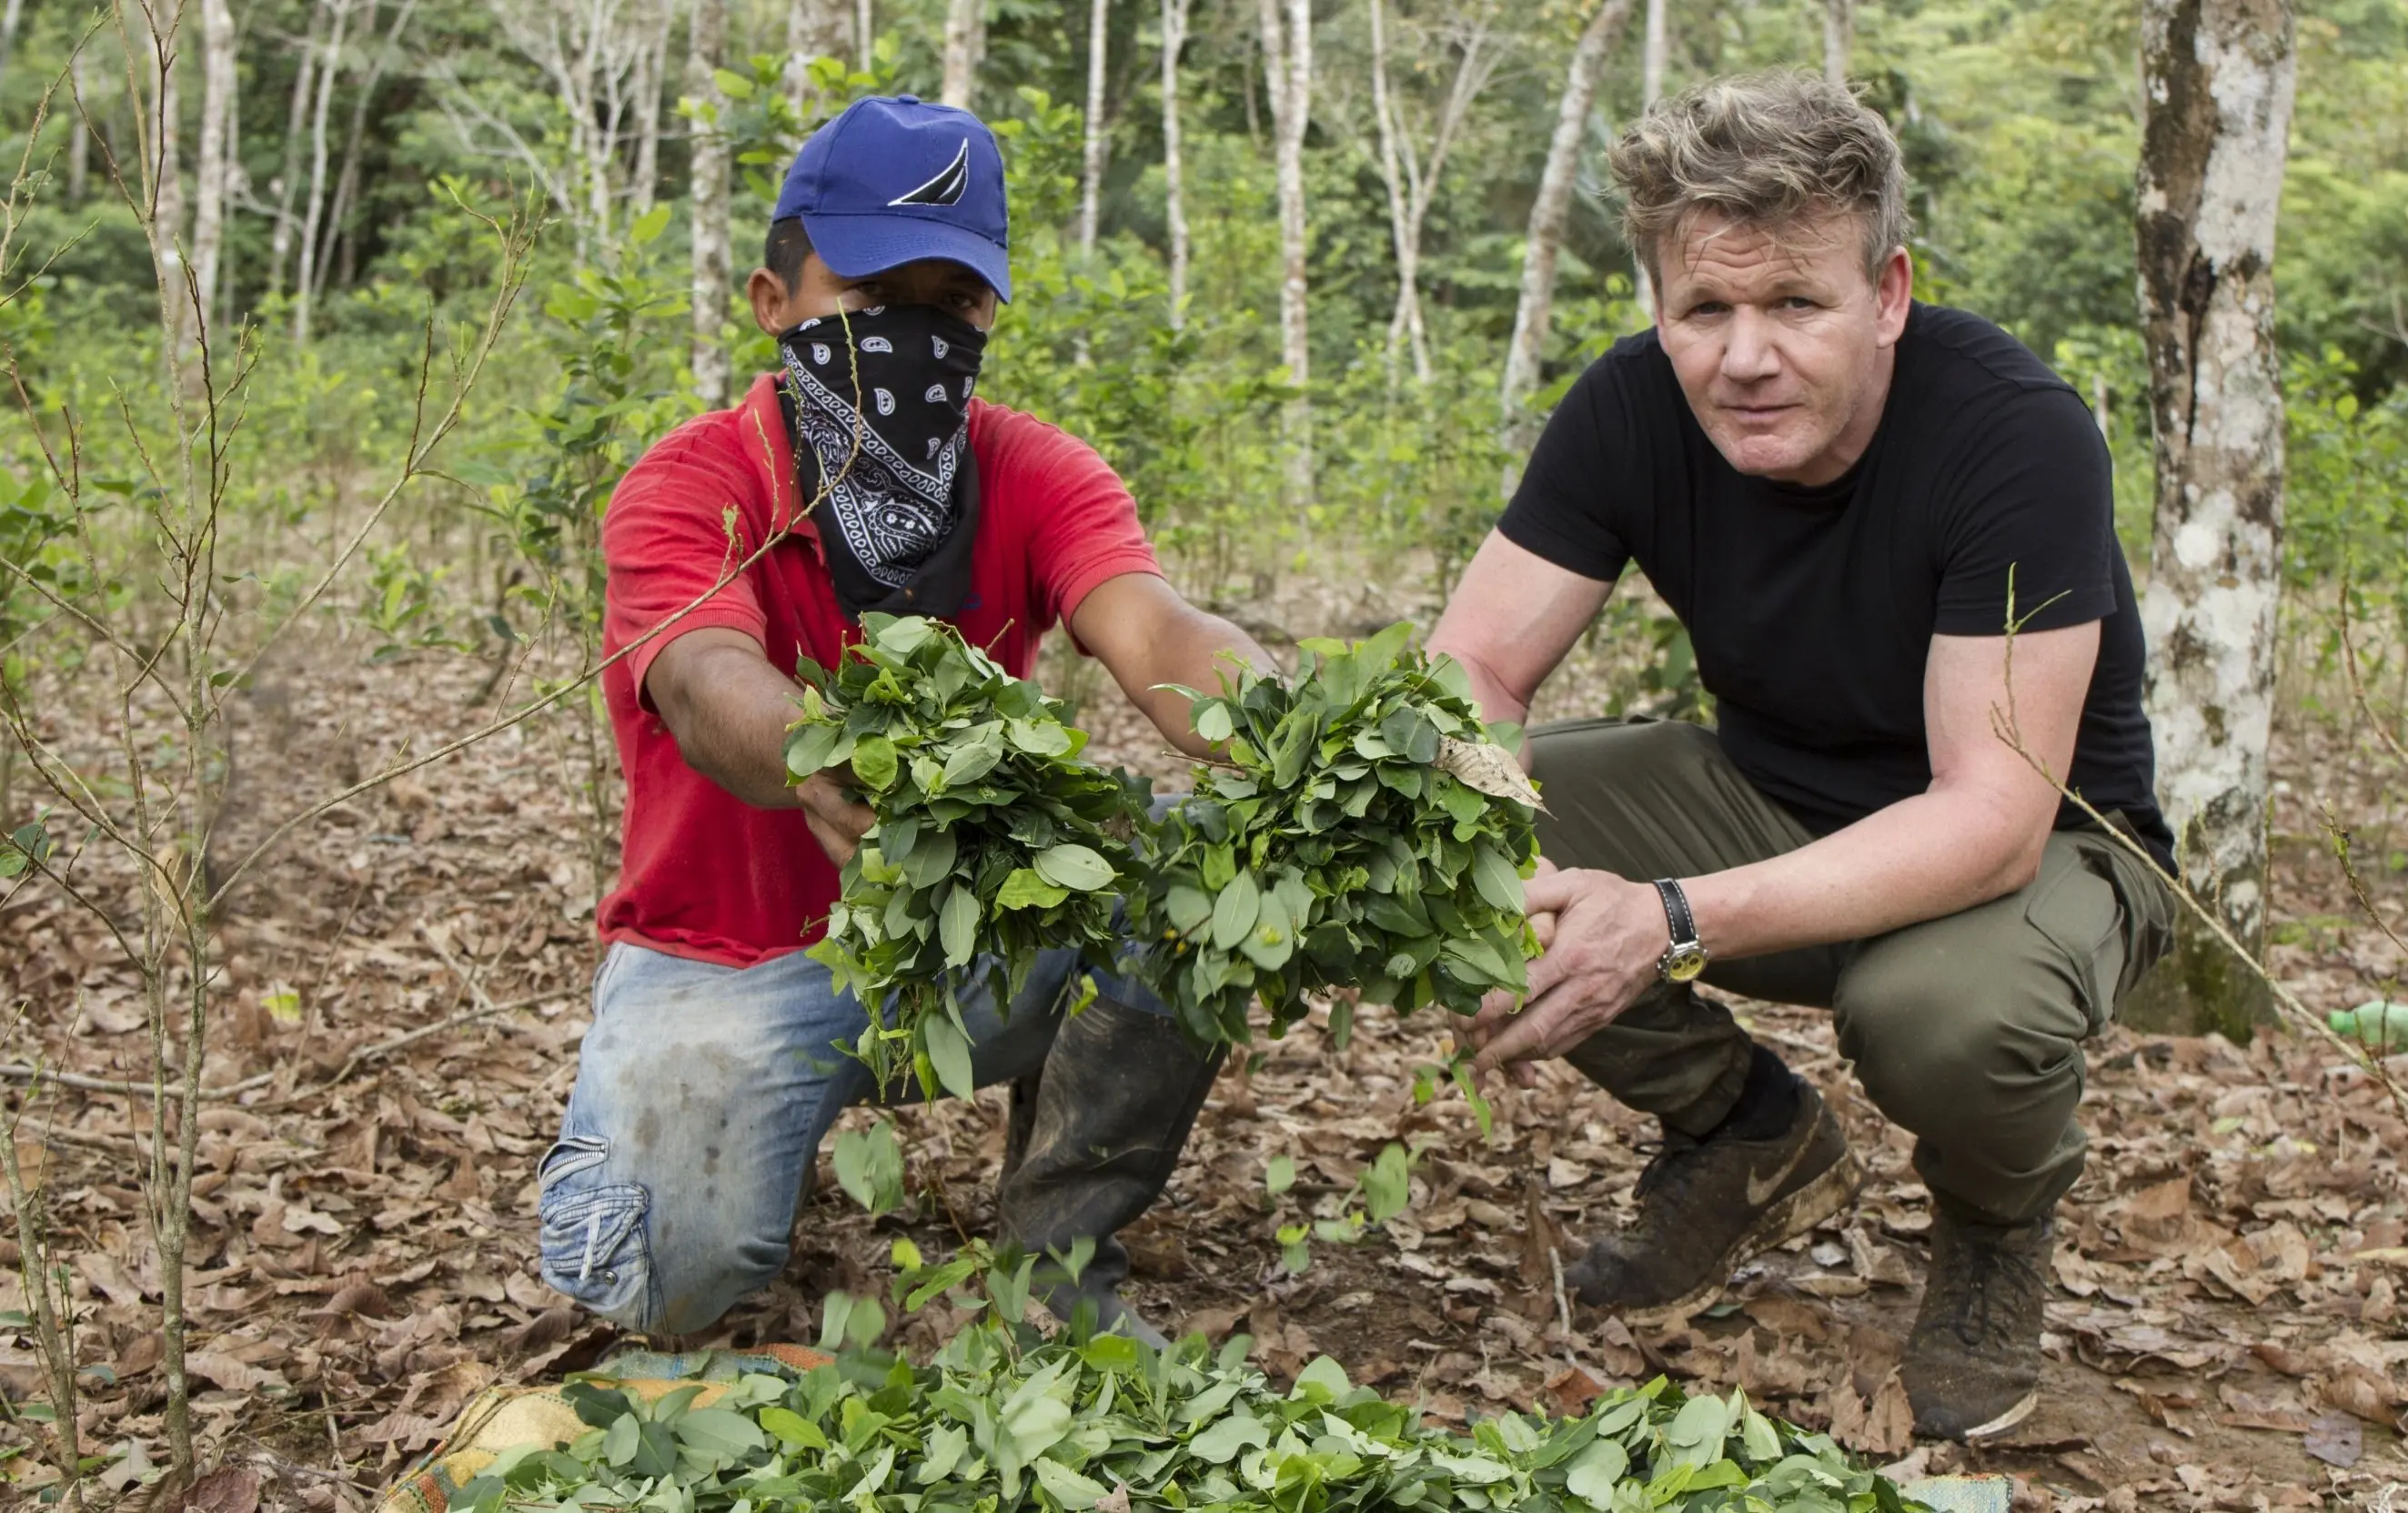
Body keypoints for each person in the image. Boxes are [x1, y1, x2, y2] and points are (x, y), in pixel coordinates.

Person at [1426, 71, 2177, 1443]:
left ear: (1887, 293)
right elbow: (1470, 664)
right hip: (1765, 793)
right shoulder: (1630, 407)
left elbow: (1993, 815)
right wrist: (1483, 826)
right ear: (1659, 304)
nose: (1743, 355)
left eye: (1794, 304)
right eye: (1703, 309)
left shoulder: (2012, 434)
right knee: (1416, 828)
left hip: (2040, 849)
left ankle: (1995, 1228)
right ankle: (1742, 1129)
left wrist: (1659, 921)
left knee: (1939, 1016)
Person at [534, 95, 1270, 1343]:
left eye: (949, 309)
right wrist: (823, 759)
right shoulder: (694, 481)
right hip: (732, 955)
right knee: (661, 1280)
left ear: (986, 317)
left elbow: (1148, 625)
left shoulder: (1031, 469)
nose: (913, 342)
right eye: (873, 305)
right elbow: (704, 677)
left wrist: (1275, 711)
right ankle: (723, 1147)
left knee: (1193, 875)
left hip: (966, 933)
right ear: (776, 305)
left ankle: (1055, 1253)